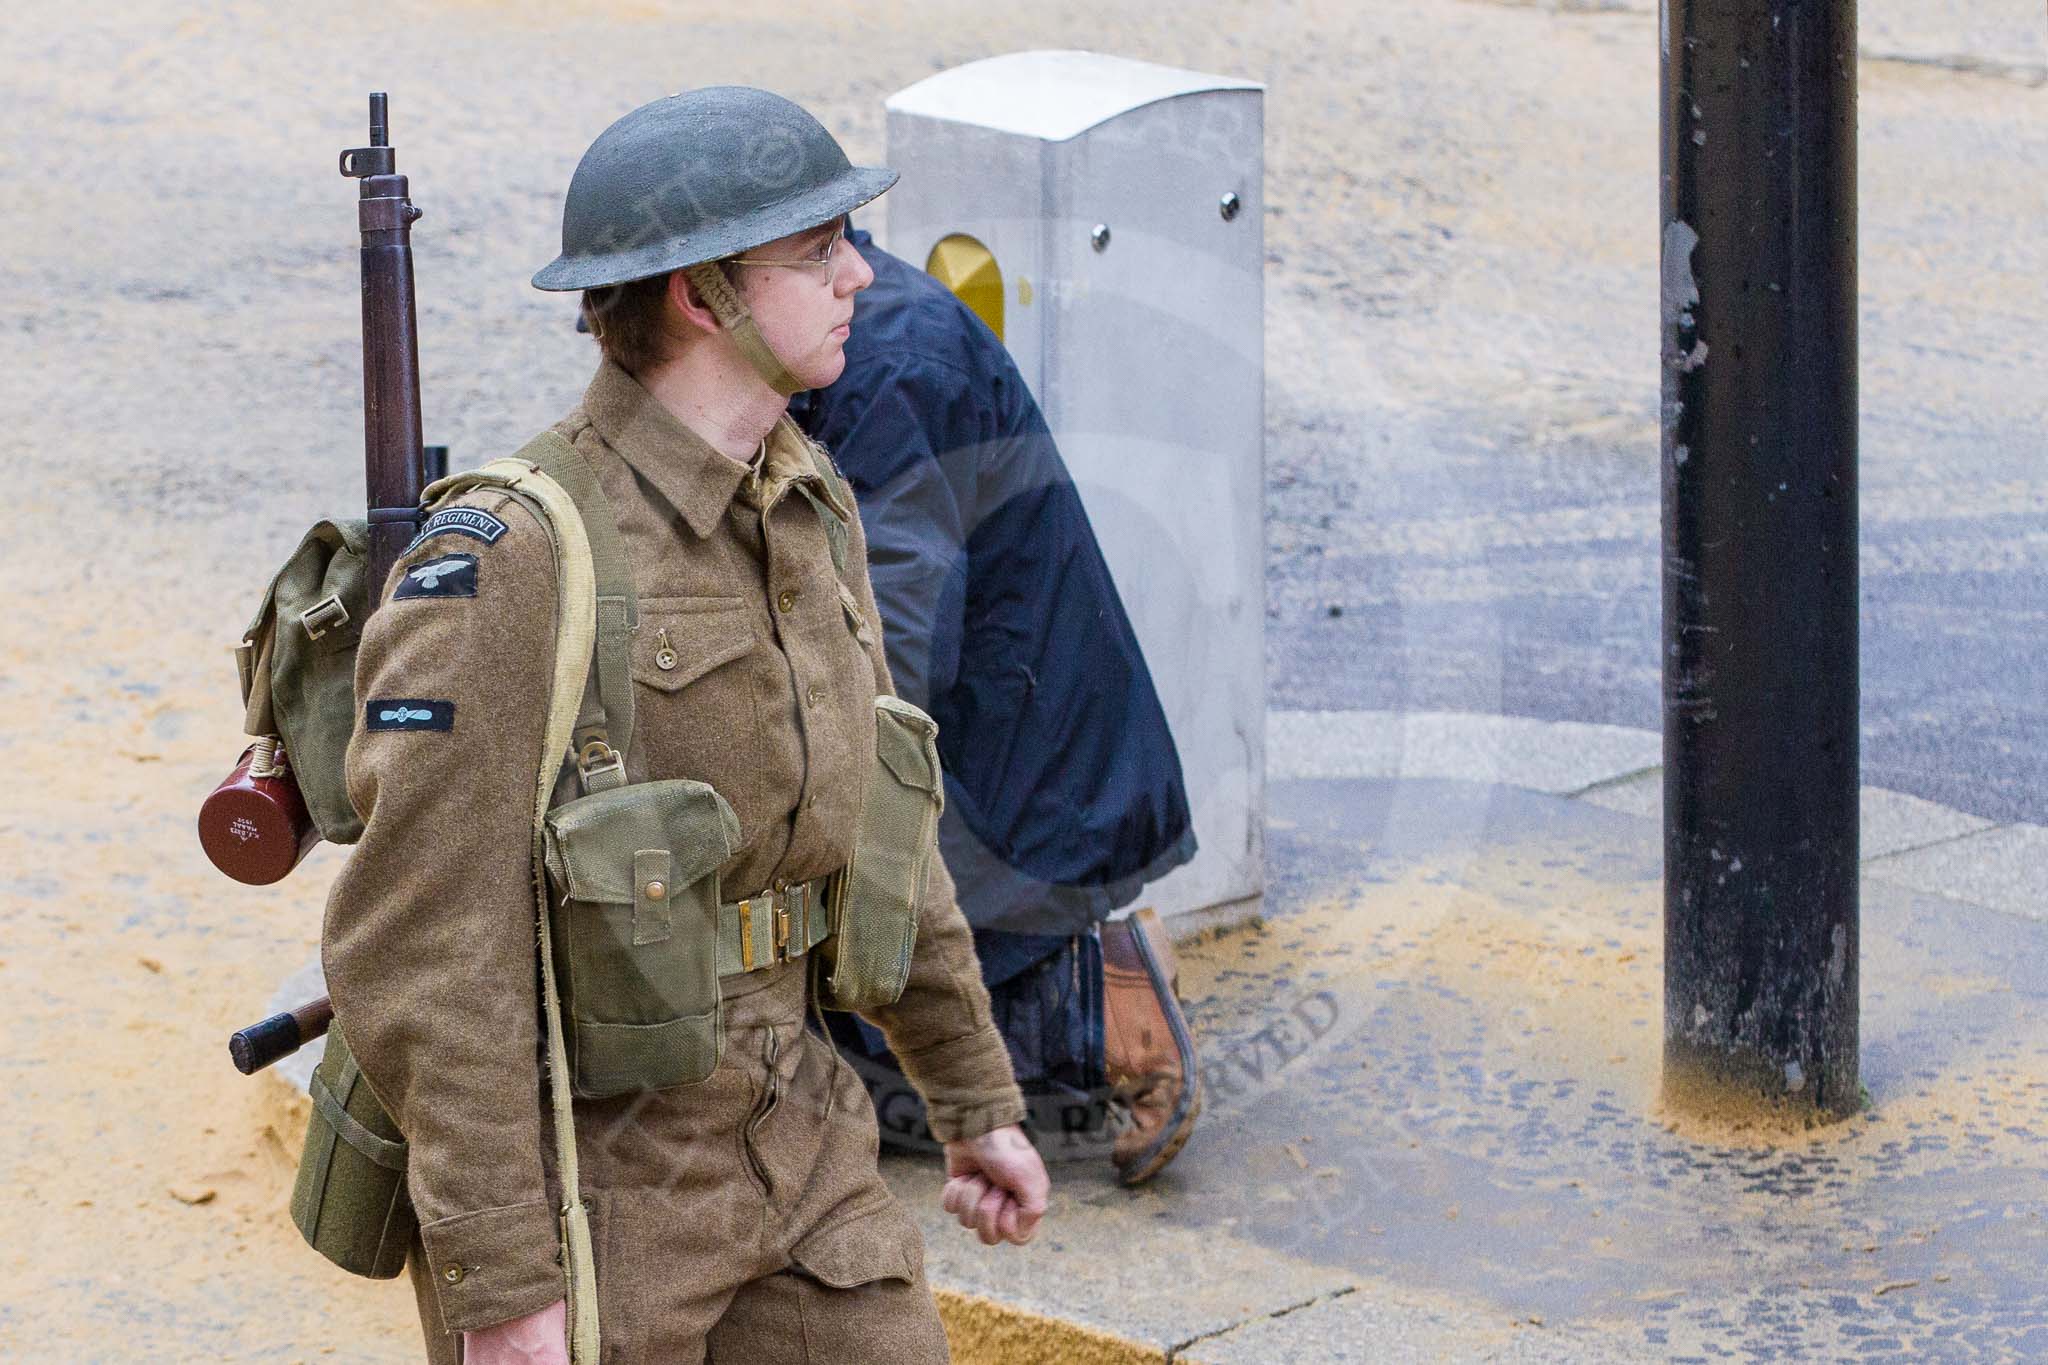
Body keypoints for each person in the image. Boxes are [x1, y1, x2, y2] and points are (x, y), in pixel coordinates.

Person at [321, 88, 1048, 1365]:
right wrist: (502, 1286)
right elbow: (420, 953)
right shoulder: (518, 556)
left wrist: (969, 1093)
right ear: (701, 297)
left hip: (802, 1142)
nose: (860, 275)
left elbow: (887, 819)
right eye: (816, 249)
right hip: (600, 1194)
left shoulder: (806, 501)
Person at [790, 228, 1203, 1185]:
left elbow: (891, 630)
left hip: (1017, 787)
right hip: (1018, 761)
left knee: (879, 1078)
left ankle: (1094, 994)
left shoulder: (886, 363)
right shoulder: (827, 331)